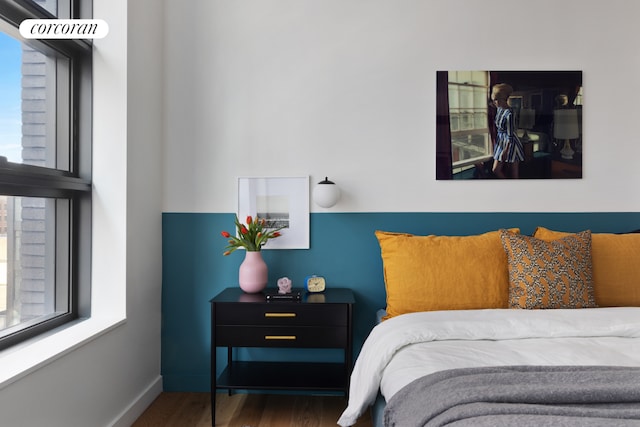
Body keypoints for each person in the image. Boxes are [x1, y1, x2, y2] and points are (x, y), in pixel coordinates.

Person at [490, 83, 524, 178]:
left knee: (513, 175)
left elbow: (511, 135)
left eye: (496, 100)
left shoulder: (510, 113)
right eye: (494, 100)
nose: (494, 102)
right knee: (495, 170)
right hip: (501, 141)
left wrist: (505, 151)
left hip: (511, 144)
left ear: (502, 99)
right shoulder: (499, 109)